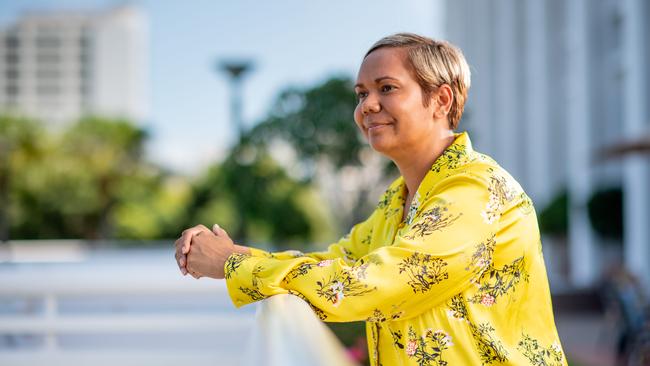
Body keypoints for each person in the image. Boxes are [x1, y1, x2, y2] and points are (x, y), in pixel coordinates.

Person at [175, 33, 567, 366]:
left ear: (441, 100)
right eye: (362, 93)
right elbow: (337, 263)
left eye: (387, 88)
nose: (368, 106)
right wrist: (230, 254)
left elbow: (370, 285)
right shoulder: (398, 200)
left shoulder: (474, 191)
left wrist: (231, 264)